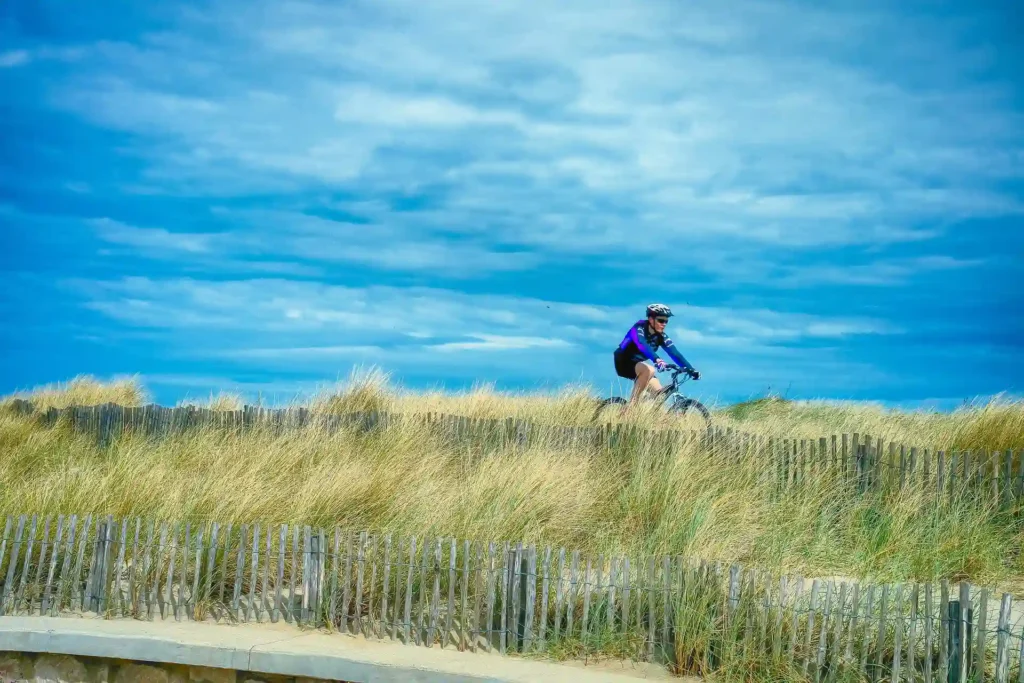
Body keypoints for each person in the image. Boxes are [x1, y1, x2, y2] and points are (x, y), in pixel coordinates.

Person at [613, 303, 700, 408]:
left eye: (666, 321)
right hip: (624, 362)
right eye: (661, 320)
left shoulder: (661, 336)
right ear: (650, 319)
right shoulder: (638, 328)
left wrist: (691, 369)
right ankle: (631, 406)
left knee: (660, 396)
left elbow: (675, 353)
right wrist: (657, 359)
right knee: (649, 370)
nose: (664, 324)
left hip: (639, 365)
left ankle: (648, 414)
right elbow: (642, 344)